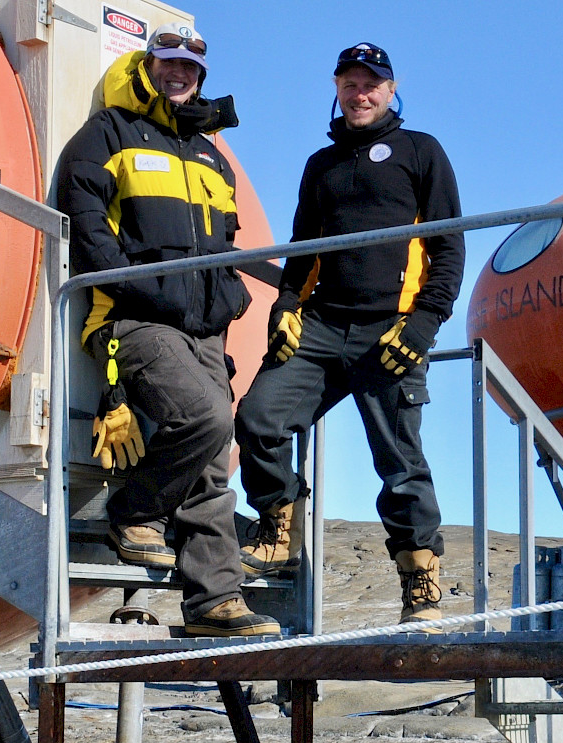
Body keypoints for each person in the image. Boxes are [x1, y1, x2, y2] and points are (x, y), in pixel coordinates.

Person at [52, 24, 278, 637]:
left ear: (200, 77)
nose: (180, 74)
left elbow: (222, 240)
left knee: (210, 461)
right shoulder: (108, 134)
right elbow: (87, 219)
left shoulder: (209, 153)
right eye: (169, 63)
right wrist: (132, 284)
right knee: (208, 421)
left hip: (204, 327)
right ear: (148, 66)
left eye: (190, 68)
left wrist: (226, 297)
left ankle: (214, 602)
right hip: (133, 317)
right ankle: (134, 513)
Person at [235, 43, 464, 629]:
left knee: (399, 460)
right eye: (349, 84)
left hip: (391, 328)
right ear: (336, 88)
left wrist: (424, 322)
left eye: (371, 85)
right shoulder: (322, 163)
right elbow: (302, 244)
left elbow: (449, 248)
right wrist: (284, 307)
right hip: (321, 325)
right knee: (258, 416)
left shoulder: (422, 151)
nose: (359, 94)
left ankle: (420, 584)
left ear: (390, 90)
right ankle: (278, 527)